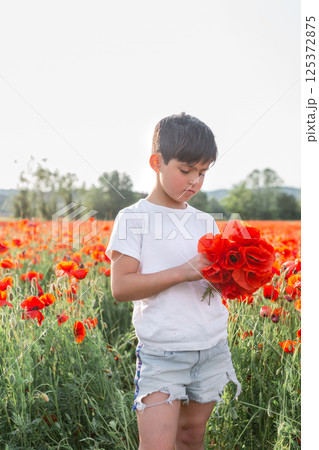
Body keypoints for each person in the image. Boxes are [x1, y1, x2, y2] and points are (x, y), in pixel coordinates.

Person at [105, 112, 241, 450]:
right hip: (162, 354)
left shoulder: (205, 221)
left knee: (191, 437)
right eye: (186, 170)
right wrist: (183, 271)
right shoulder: (133, 219)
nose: (194, 181)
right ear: (157, 162)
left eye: (203, 172)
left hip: (210, 347)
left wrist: (240, 274)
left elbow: (212, 287)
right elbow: (121, 288)